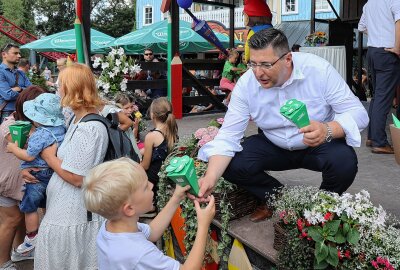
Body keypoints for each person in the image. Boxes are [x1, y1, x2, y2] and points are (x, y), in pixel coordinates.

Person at [196, 29, 369, 222]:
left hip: (317, 142)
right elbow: (228, 136)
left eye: (266, 64)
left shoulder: (319, 70)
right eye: (253, 64)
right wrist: (211, 178)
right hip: (273, 143)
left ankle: (320, 209)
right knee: (232, 163)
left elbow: (359, 114)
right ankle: (276, 198)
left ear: (287, 59)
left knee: (344, 161)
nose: (258, 73)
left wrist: (328, 129)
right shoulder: (246, 84)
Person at [22, 63, 108, 269]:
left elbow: (78, 178)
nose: (57, 90)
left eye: (60, 85)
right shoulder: (78, 121)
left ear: (71, 88)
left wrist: (48, 157)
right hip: (67, 213)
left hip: (74, 215)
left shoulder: (90, 128)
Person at [82, 158, 215, 270]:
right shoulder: (140, 253)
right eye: (145, 187)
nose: (151, 186)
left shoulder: (110, 228)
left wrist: (176, 197)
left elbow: (151, 232)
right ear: (129, 209)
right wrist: (203, 225)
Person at [6, 93, 66, 255]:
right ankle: (49, 234)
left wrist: (13, 148)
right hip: (54, 174)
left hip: (38, 175)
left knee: (29, 207)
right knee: (48, 204)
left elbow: (29, 156)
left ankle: (32, 237)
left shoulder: (40, 134)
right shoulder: (62, 129)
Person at [0, 86, 45, 270]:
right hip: (7, 182)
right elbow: (25, 148)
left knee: (20, 218)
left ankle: (19, 252)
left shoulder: (29, 124)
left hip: (19, 184)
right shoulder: (11, 125)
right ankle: (2, 262)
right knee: (11, 220)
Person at [358, 0, 400, 154]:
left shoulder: (369, 3)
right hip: (388, 52)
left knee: (377, 97)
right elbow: (399, 21)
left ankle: (372, 137)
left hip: (373, 51)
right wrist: (397, 46)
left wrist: (378, 34)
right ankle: (379, 142)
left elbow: (362, 27)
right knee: (383, 99)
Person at [140, 97, 178, 216]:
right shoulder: (172, 131)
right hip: (165, 173)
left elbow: (145, 166)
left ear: (152, 115)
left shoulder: (151, 136)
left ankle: (149, 206)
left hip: (153, 177)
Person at [0, 44, 32, 124]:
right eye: (15, 53)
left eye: (19, 53)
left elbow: (32, 91)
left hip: (22, 111)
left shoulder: (20, 73)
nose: (19, 56)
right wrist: (25, 91)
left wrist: (20, 89)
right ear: (4, 54)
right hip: (6, 112)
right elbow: (8, 95)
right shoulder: (1, 72)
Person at [114, 93, 143, 159]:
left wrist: (135, 127)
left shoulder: (128, 119)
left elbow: (132, 138)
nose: (130, 110)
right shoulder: (120, 123)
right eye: (126, 108)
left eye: (131, 107)